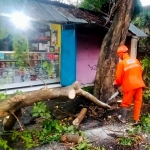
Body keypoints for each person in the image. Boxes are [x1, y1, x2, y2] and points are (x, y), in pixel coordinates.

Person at [113, 45, 145, 123]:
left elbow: (118, 77)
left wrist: (117, 83)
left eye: (119, 55)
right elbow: (140, 71)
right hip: (139, 84)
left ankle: (122, 119)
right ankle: (136, 119)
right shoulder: (135, 60)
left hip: (129, 85)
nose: (119, 56)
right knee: (138, 101)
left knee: (125, 102)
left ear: (121, 54)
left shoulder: (122, 63)